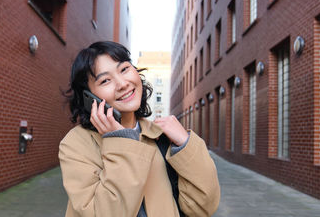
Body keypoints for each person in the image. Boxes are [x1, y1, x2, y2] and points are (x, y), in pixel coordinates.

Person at [59, 41, 220, 217]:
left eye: (124, 69)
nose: (122, 84)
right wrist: (120, 141)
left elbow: (203, 208)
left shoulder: (162, 136)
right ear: (89, 97)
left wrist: (185, 145)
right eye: (105, 80)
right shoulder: (76, 144)